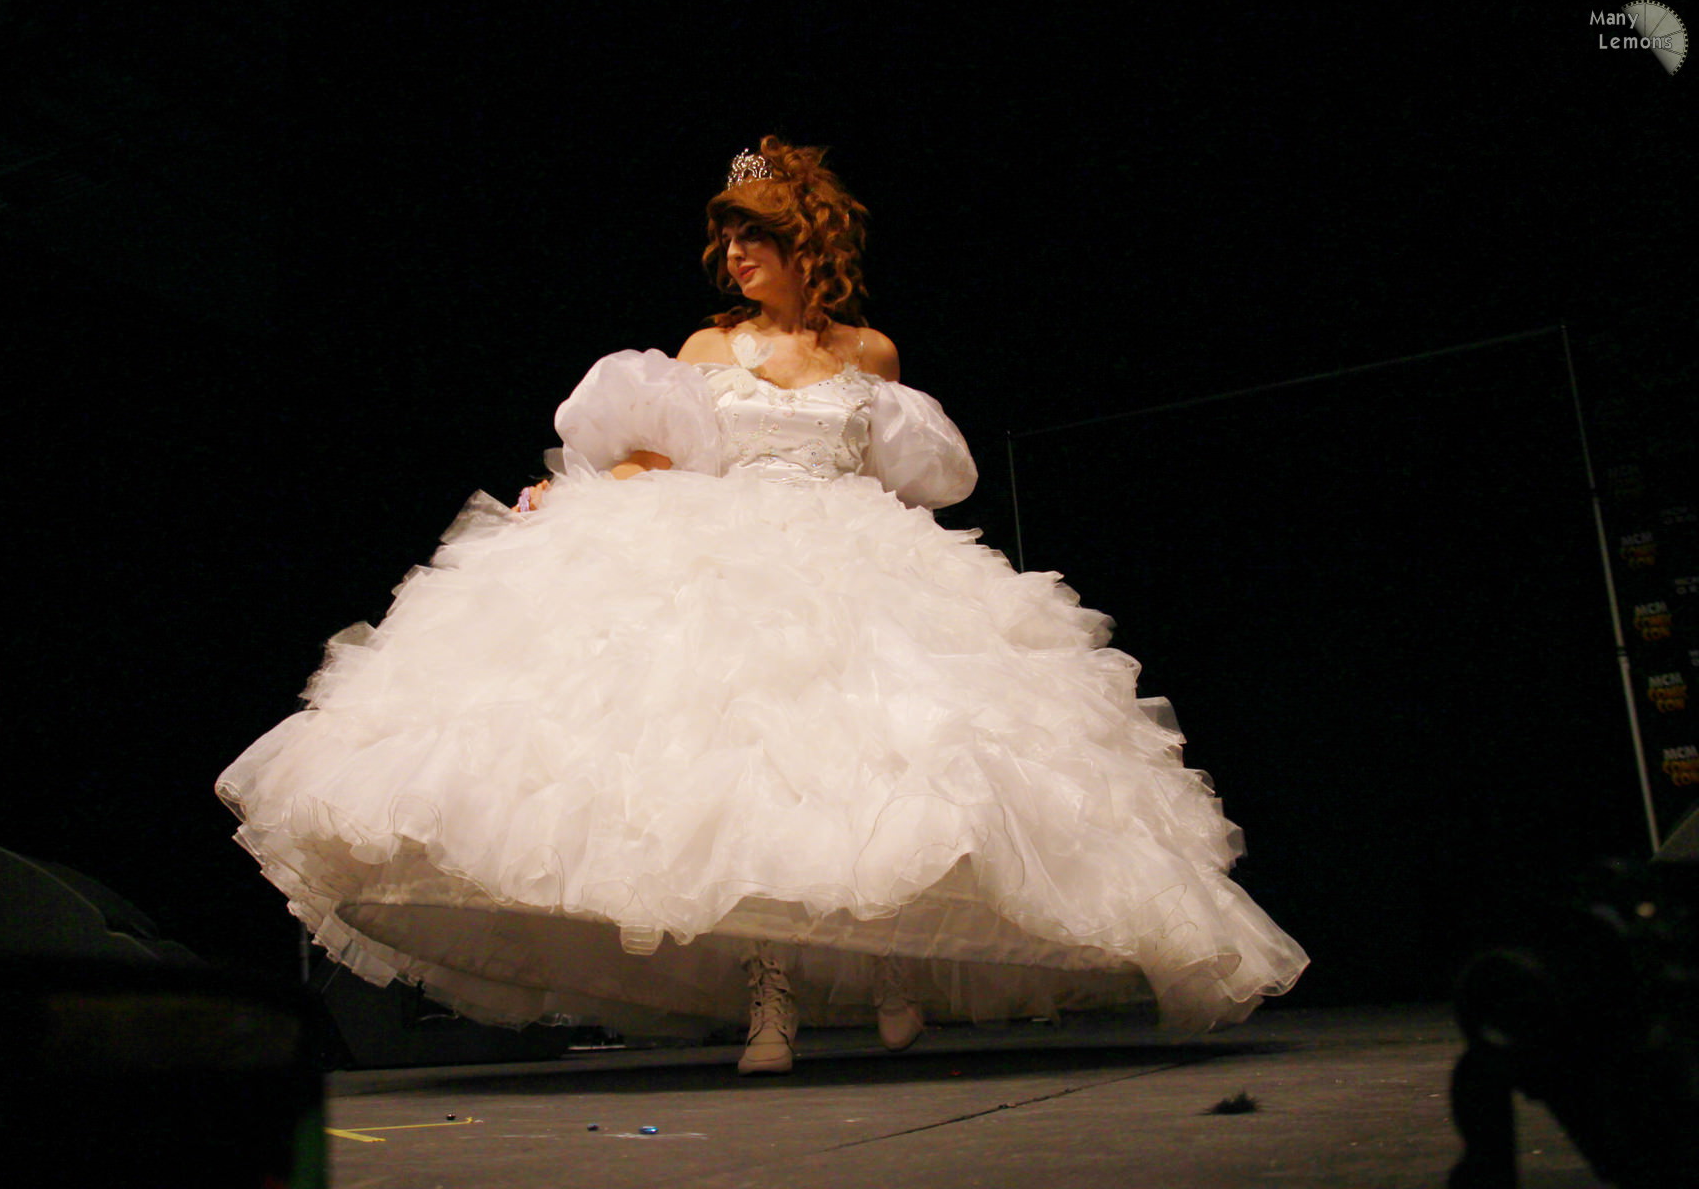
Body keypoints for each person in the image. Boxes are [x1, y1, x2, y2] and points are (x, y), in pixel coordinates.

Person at [217, 137, 1307, 1075]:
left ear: (806, 244)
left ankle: (889, 965)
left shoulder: (870, 355)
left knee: (885, 760)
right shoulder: (706, 349)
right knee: (747, 782)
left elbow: (901, 476)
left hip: (849, 548)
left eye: (756, 237)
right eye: (729, 238)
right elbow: (666, 456)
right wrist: (582, 491)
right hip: (730, 550)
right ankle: (769, 995)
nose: (735, 254)